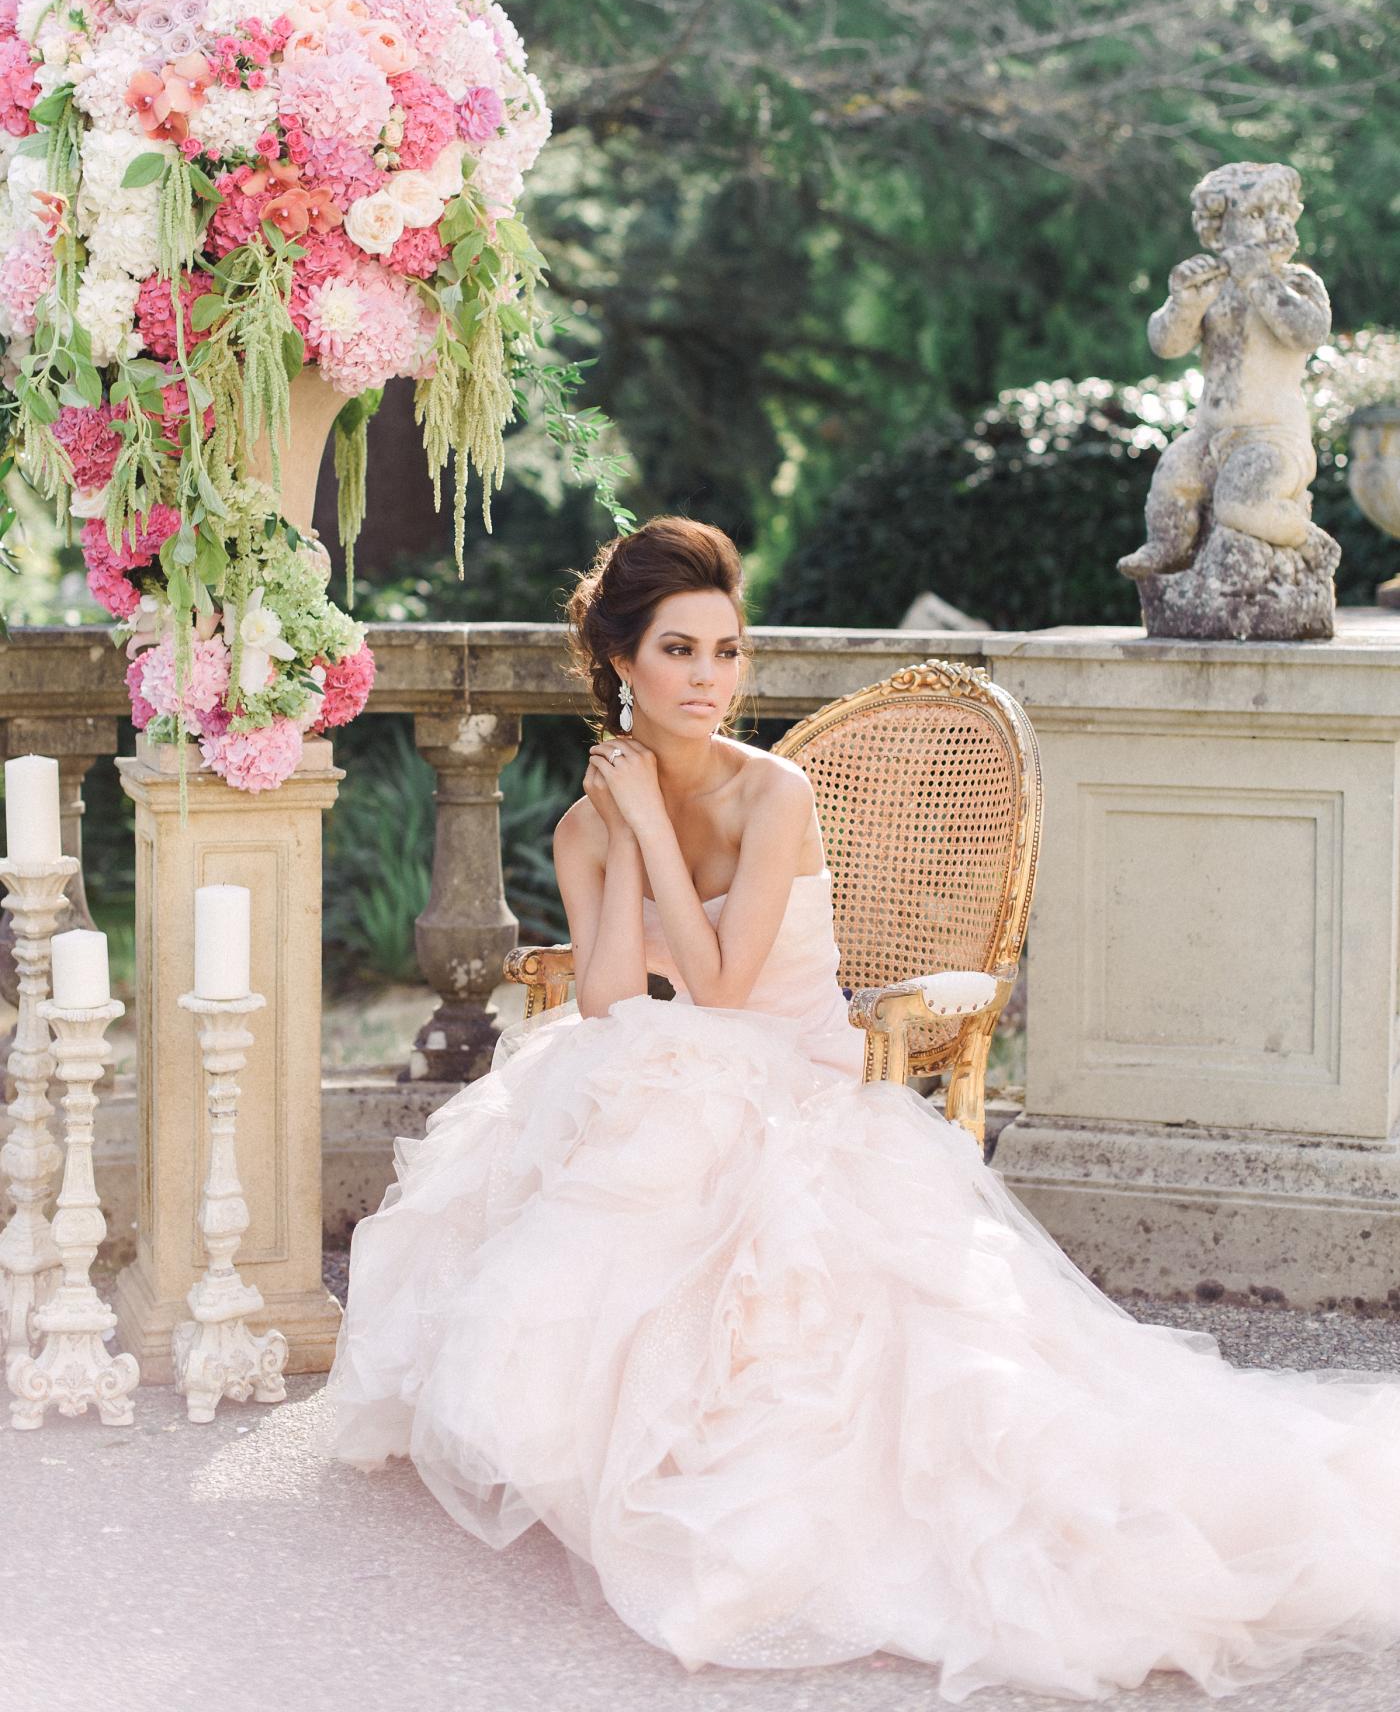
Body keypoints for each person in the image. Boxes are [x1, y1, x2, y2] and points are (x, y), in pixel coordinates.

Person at [328, 515, 1400, 1698]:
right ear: (620, 661)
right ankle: (624, 1449)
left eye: (726, 652)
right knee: (609, 1105)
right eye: (679, 651)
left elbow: (730, 989)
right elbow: (603, 993)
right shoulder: (585, 820)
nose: (709, 680)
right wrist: (620, 833)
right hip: (678, 1064)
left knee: (671, 1121)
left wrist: (644, 824)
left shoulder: (772, 789)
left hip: (796, 1072)